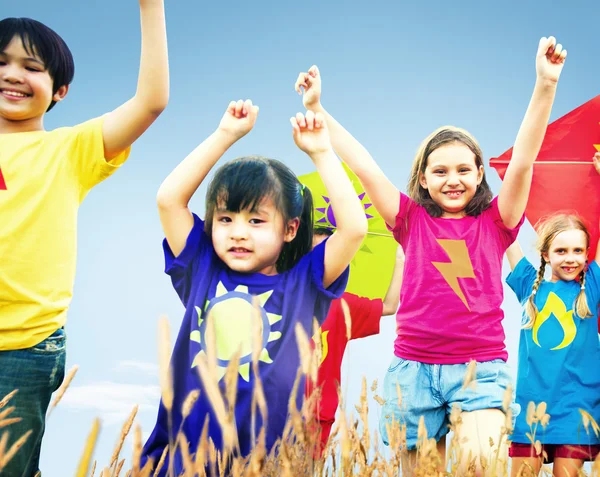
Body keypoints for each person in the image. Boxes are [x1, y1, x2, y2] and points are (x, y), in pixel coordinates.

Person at [294, 36, 567, 471]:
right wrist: (319, 111)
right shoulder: (409, 221)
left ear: (480, 174)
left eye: (463, 169)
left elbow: (523, 162)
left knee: (483, 462)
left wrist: (545, 85)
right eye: (440, 171)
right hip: (413, 373)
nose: (452, 179)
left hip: (479, 370)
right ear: (422, 178)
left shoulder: (496, 223)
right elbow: (364, 166)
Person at [142, 99, 367, 474]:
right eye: (225, 218)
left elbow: (354, 229)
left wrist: (322, 152)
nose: (238, 233)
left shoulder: (304, 285)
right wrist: (225, 135)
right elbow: (168, 199)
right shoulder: (202, 267)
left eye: (256, 221)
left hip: (271, 458)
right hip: (190, 453)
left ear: (290, 229)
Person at [0, 3, 169, 475]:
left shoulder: (68, 150)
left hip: (21, 347)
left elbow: (150, 102)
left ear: (60, 90)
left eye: (31, 67)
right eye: (1, 62)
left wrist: (150, 6)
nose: (13, 74)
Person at [506, 153, 600, 477]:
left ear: (588, 254)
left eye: (578, 251)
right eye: (561, 251)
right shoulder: (528, 284)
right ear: (545, 254)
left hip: (577, 407)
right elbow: (505, 229)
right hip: (530, 407)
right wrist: (515, 182)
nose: (570, 258)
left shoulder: (592, 287)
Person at [306, 226, 405, 455]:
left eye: (330, 252)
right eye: (314, 253)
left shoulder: (342, 305)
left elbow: (389, 306)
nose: (322, 260)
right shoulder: (279, 295)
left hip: (318, 416)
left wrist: (400, 260)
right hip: (274, 410)